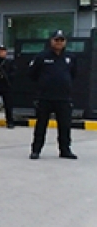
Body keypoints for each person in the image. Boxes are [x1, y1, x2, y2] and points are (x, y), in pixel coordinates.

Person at [28, 30, 77, 160]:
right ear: (51, 41)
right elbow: (32, 74)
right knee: (41, 125)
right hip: (45, 97)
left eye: (61, 40)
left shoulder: (70, 57)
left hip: (63, 98)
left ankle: (65, 150)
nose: (59, 42)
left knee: (65, 126)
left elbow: (73, 74)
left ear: (65, 42)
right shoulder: (42, 57)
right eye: (56, 40)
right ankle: (36, 150)